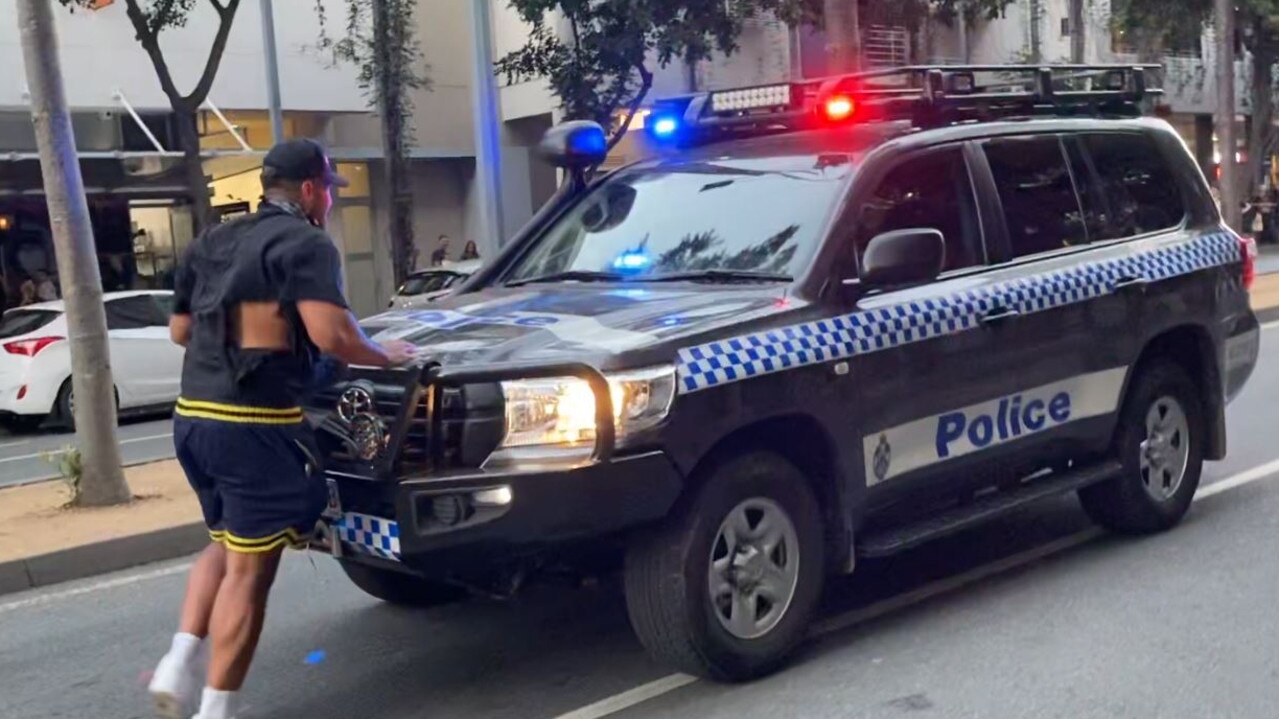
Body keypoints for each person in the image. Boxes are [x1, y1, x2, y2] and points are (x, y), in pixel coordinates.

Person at [146, 139, 417, 719]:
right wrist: (386, 354)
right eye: (330, 194)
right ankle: (215, 711)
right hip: (253, 426)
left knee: (224, 543)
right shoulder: (305, 242)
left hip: (192, 419)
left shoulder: (213, 239)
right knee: (252, 572)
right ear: (314, 191)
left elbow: (180, 331)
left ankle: (179, 658)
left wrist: (249, 339)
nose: (330, 206)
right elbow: (334, 338)